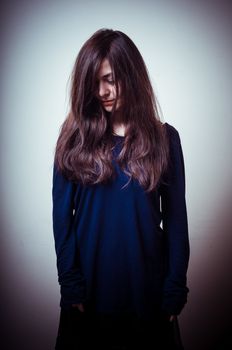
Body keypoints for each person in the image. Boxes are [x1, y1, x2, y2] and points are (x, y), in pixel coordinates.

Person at [52, 28, 190, 350]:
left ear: (131, 75)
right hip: (88, 291)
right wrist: (70, 284)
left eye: (110, 79)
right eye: (95, 81)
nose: (102, 91)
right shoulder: (73, 138)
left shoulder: (164, 139)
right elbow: (62, 220)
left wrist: (175, 287)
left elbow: (176, 223)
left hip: (147, 292)